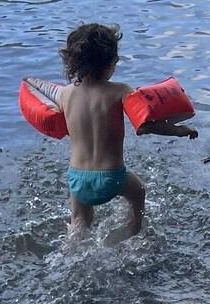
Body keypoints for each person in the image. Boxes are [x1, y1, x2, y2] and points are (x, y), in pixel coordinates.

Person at [55, 21, 195, 240]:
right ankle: (125, 236)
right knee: (139, 192)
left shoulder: (65, 94)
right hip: (112, 177)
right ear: (110, 63)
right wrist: (179, 130)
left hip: (77, 177)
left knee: (79, 220)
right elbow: (146, 126)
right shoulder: (120, 91)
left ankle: (71, 247)